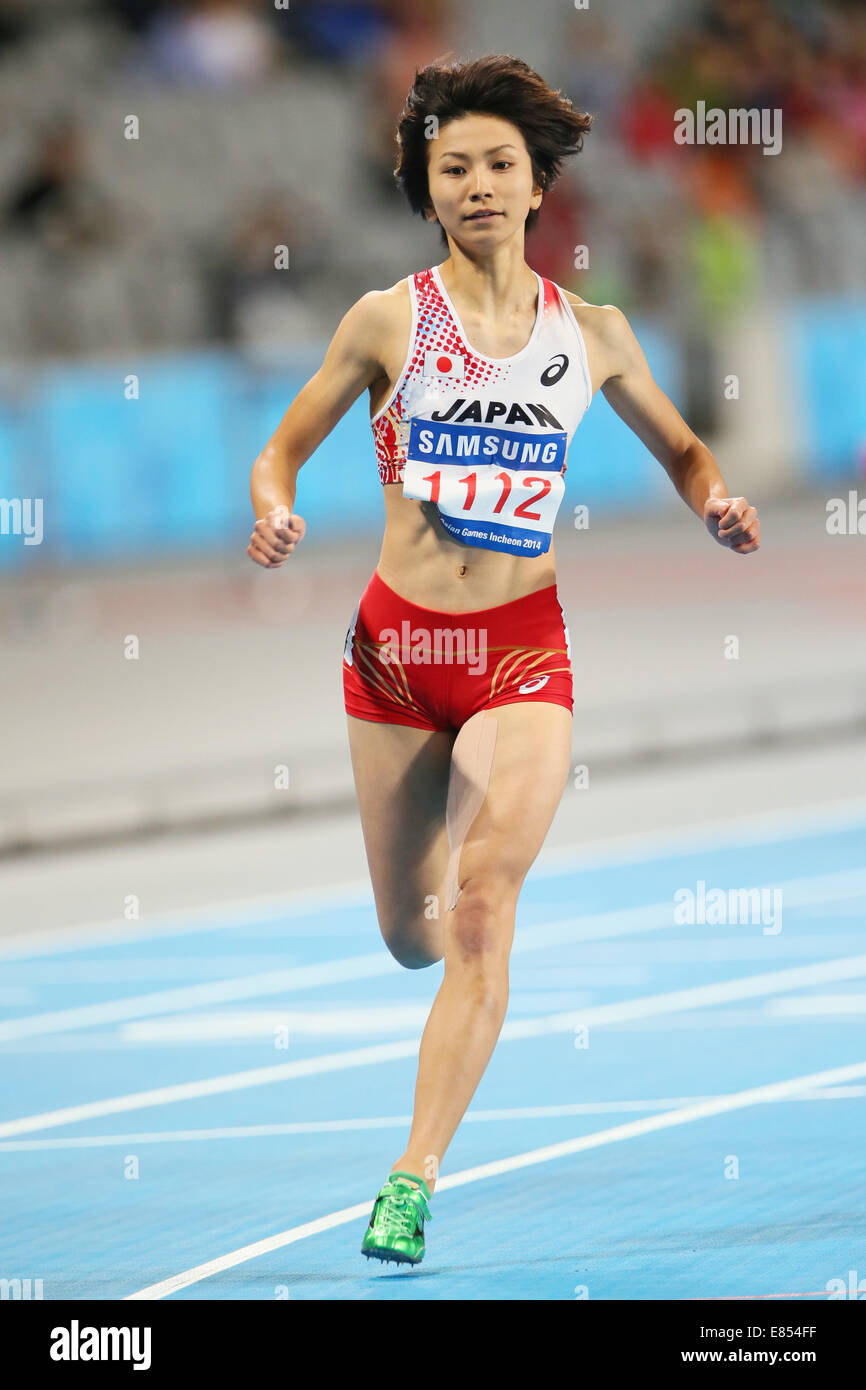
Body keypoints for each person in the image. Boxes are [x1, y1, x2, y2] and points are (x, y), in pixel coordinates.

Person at [246, 54, 761, 1267]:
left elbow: (687, 450)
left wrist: (716, 500)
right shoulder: (389, 319)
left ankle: (410, 1177)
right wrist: (274, 507)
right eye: (451, 169)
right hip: (391, 659)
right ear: (428, 193)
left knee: (480, 912)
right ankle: (427, 933)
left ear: (538, 188)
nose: (475, 185)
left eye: (496, 166)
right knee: (412, 933)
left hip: (519, 656)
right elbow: (283, 448)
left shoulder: (593, 334)